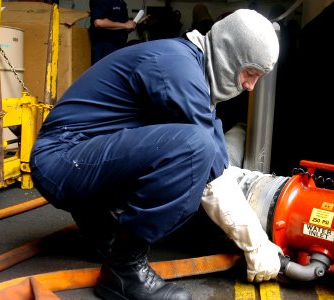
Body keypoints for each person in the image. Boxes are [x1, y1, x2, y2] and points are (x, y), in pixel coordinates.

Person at [30, 9, 282, 300]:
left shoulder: (191, 72)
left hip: (81, 156)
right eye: (250, 73)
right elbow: (210, 176)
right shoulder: (178, 69)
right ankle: (123, 272)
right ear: (229, 55)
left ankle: (102, 227)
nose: (251, 86)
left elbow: (219, 166)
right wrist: (256, 245)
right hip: (62, 158)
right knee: (194, 147)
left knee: (198, 149)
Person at [89, 0, 142, 64]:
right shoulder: (103, 1)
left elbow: (121, 29)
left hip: (119, 47)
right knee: (105, 72)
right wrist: (125, 25)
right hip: (105, 47)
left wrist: (133, 25)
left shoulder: (121, 3)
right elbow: (99, 22)